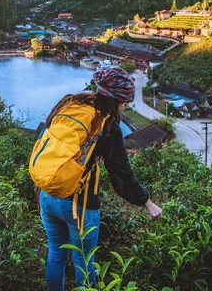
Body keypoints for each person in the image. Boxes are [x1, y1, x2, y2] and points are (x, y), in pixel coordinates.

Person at [38, 67, 162, 291]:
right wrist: (147, 202)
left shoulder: (70, 105)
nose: (125, 108)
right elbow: (121, 174)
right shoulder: (106, 125)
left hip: (47, 194)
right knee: (84, 263)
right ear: (116, 100)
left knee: (56, 256)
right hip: (79, 205)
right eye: (125, 103)